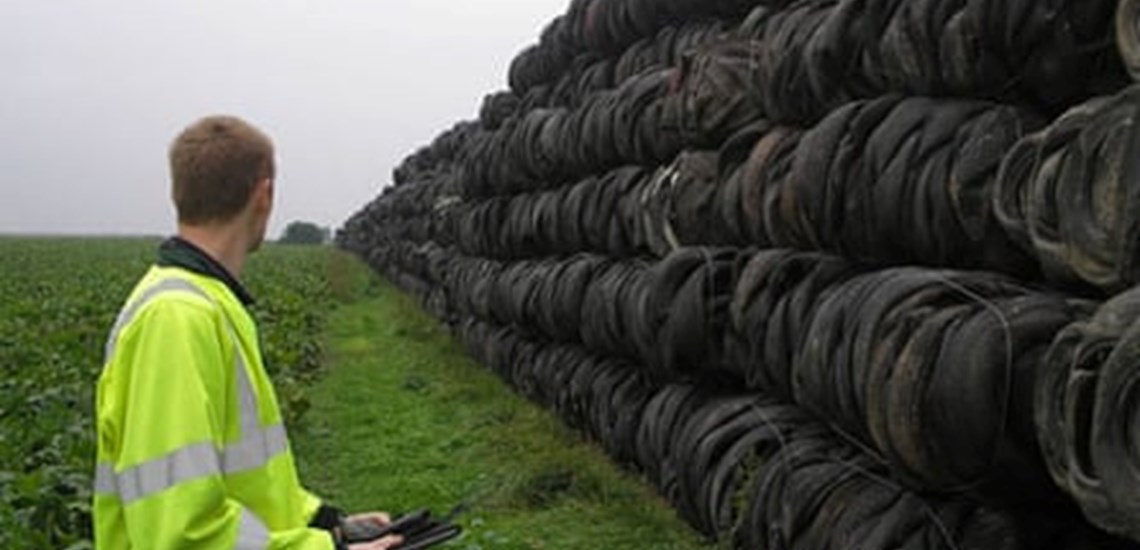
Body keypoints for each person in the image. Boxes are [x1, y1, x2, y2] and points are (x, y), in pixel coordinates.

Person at [94, 115, 402, 549]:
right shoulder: (177, 319)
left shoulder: (208, 303)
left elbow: (245, 479)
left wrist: (328, 522)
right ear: (264, 195)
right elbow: (181, 535)